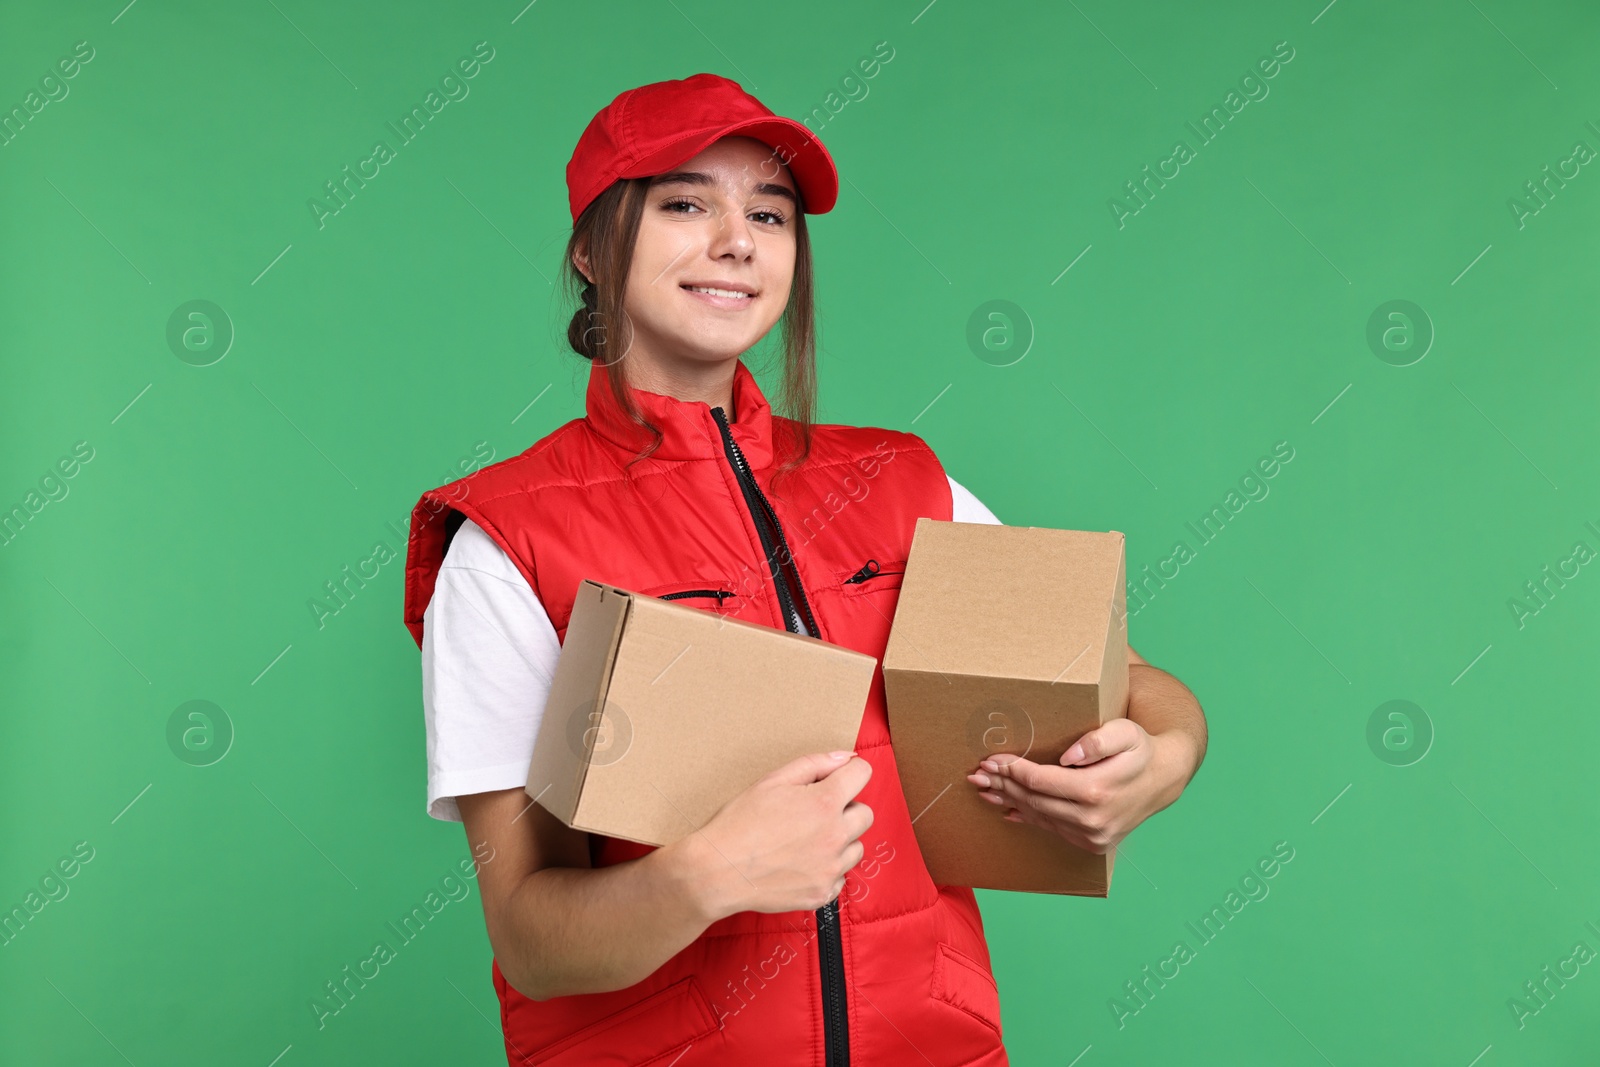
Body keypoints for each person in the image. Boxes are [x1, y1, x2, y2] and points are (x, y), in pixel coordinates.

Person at [401, 73, 1207, 1067]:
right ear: (590, 248)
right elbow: (531, 937)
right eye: (686, 203)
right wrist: (704, 876)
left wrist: (1157, 761)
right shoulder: (508, 540)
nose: (737, 239)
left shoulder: (905, 481)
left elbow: (1134, 682)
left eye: (769, 213)